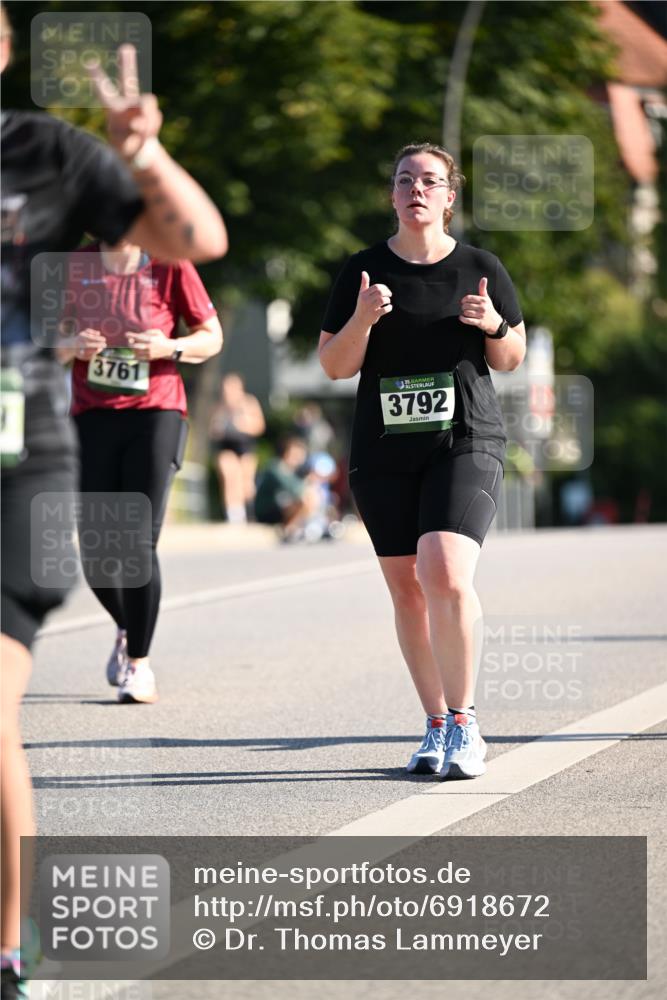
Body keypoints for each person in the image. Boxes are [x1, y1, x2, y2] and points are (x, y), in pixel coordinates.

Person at [0, 12, 227, 995]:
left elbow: (199, 239)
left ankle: (11, 950)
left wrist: (147, 155)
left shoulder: (43, 152)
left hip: (35, 438)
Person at [319, 142, 526, 781]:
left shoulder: (479, 265)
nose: (417, 189)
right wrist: (361, 320)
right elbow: (334, 365)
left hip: (464, 439)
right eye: (405, 179)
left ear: (449, 197)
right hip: (384, 450)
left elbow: (511, 356)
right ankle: (435, 724)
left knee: (444, 568)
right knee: (408, 590)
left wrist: (493, 323)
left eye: (430, 180)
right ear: (391, 194)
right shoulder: (362, 271)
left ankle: (466, 723)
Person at [57, 237, 222, 703]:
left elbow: (212, 336)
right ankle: (128, 625)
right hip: (92, 416)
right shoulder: (74, 264)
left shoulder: (170, 262)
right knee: (94, 549)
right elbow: (45, 342)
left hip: (157, 413)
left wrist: (168, 347)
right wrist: (71, 345)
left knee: (135, 539)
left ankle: (139, 664)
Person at [209, 372, 265, 523]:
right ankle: (234, 514)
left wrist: (244, 424)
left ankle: (250, 511)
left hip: (245, 447)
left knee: (245, 483)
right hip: (226, 446)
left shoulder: (249, 403)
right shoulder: (219, 406)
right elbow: (212, 430)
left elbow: (260, 426)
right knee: (229, 475)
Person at [254, 436, 319, 540]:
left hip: (280, 508)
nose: (298, 458)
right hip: (267, 511)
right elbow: (296, 489)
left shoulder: (292, 471)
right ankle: (290, 530)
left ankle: (302, 527)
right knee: (308, 498)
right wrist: (308, 483)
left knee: (311, 496)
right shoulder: (275, 467)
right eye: (295, 454)